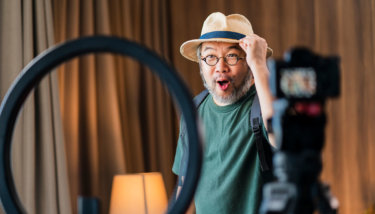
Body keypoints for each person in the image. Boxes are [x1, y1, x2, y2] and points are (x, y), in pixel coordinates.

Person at [172, 12, 276, 214]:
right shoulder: (193, 112)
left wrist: (260, 66)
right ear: (200, 64)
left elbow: (281, 136)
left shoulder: (264, 104)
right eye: (210, 57)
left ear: (248, 62)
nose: (221, 67)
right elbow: (186, 189)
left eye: (232, 56)